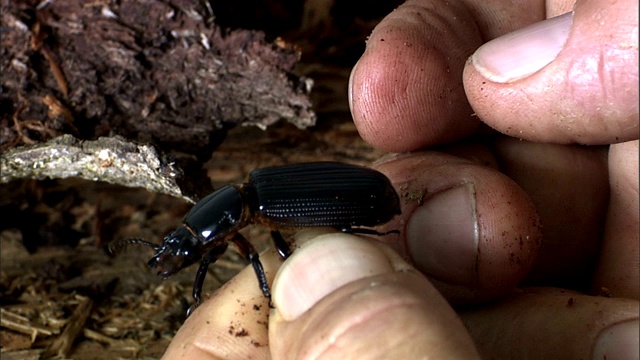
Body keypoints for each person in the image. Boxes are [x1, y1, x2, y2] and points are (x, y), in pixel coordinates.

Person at [163, 0, 639, 358]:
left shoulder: (263, 208)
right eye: (190, 243)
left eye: (192, 243)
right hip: (364, 193)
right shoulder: (253, 202)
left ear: (223, 227)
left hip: (369, 200)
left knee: (306, 252)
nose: (192, 252)